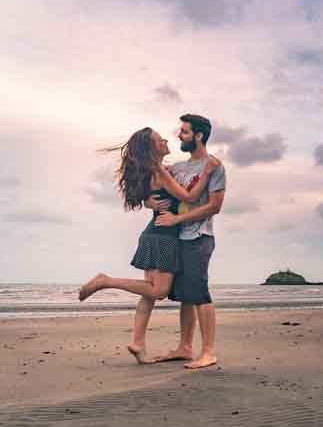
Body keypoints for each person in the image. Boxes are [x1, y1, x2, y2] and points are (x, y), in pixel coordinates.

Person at [77, 127, 220, 364]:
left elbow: (154, 194)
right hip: (164, 236)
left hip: (154, 233)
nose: (165, 139)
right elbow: (189, 197)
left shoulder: (156, 170)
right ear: (152, 148)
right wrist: (207, 173)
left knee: (148, 293)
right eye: (159, 139)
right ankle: (105, 281)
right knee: (158, 291)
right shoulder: (158, 172)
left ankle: (138, 343)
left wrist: (147, 201)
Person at [149, 114, 226, 369]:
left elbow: (214, 207)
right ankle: (184, 347)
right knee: (185, 296)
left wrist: (176, 221)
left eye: (183, 131)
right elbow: (151, 187)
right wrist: (147, 201)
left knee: (199, 292)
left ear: (199, 136)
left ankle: (209, 352)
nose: (178, 136)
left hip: (199, 237)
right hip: (178, 239)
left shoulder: (214, 166)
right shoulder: (178, 168)